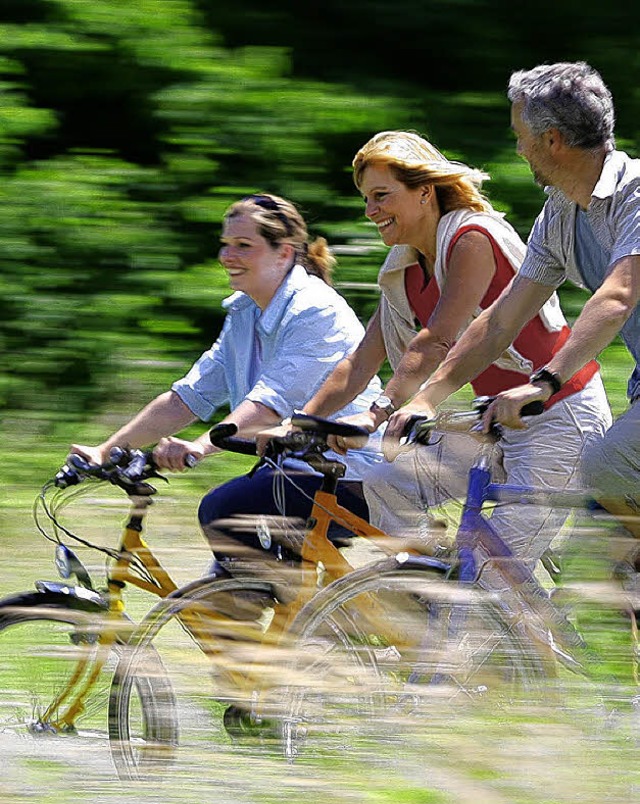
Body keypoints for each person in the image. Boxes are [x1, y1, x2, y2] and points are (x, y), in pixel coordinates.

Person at [293, 130, 611, 562]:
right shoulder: (405, 269)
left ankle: (476, 602)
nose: (371, 211)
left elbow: (437, 339)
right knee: (385, 490)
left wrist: (379, 412)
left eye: (382, 196)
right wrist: (302, 423)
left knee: (488, 572)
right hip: (490, 420)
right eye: (366, 199)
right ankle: (432, 579)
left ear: (424, 193)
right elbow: (362, 360)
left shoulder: (472, 239)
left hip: (557, 415)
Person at [71, 193, 383, 563]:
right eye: (225, 245)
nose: (226, 256)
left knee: (225, 511)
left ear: (283, 253)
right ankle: (285, 615)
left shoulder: (315, 310)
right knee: (229, 571)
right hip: (299, 472)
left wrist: (198, 448)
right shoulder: (244, 312)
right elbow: (188, 397)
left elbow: (268, 407)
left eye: (243, 246)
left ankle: (273, 614)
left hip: (350, 475)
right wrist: (105, 451)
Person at [416, 61, 640, 551]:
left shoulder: (636, 195)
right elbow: (501, 320)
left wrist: (543, 384)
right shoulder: (561, 212)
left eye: (521, 136)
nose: (518, 149)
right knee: (601, 536)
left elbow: (618, 297)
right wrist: (427, 397)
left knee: (605, 468)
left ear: (553, 140)